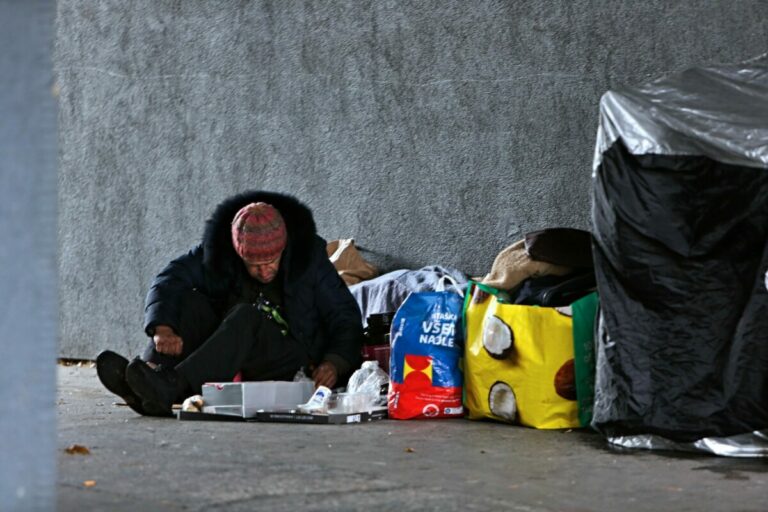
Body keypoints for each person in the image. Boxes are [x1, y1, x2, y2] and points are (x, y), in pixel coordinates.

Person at [96, 191, 364, 417]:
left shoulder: (310, 260)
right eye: (254, 265)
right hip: (235, 355)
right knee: (189, 301)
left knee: (246, 316)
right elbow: (169, 278)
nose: (264, 272)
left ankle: (168, 387)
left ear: (284, 248)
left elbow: (345, 316)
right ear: (238, 252)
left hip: (292, 362)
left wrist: (334, 362)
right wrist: (162, 328)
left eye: (271, 262)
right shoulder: (218, 254)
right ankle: (148, 380)